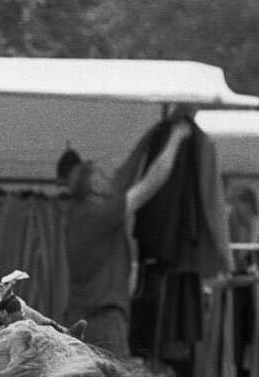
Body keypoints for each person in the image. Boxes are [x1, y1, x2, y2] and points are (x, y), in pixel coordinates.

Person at [57, 118, 193, 357]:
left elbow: (123, 178)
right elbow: (151, 183)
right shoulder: (99, 216)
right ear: (95, 187)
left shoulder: (80, 217)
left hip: (83, 321)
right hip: (104, 324)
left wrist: (148, 139)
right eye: (103, 176)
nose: (110, 178)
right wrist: (177, 137)